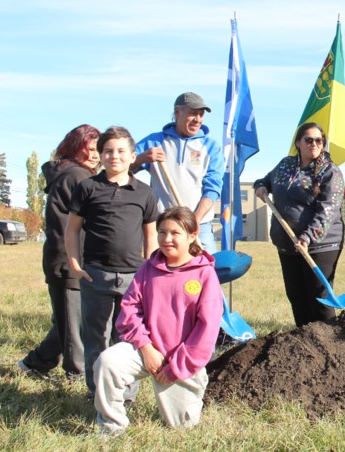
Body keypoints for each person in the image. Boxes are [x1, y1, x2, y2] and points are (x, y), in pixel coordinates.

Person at [92, 207, 223, 435]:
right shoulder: (147, 269)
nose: (167, 239)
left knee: (182, 428)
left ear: (193, 235)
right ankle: (111, 427)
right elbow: (130, 309)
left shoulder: (205, 275)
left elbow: (207, 330)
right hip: (147, 352)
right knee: (107, 362)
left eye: (175, 233)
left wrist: (175, 368)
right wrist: (146, 347)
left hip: (181, 363)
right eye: (162, 232)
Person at [66, 126, 159, 398]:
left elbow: (150, 234)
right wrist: (75, 263)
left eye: (121, 151)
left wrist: (148, 269)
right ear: (100, 155)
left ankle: (125, 396)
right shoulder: (87, 188)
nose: (114, 156)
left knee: (129, 338)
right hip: (96, 275)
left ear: (132, 157)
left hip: (134, 278)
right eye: (108, 151)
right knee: (96, 338)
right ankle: (97, 393)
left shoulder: (144, 192)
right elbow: (71, 230)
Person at [18, 124, 100, 381]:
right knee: (74, 325)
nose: (96, 156)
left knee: (67, 319)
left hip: (65, 258)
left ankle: (35, 363)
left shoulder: (70, 174)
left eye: (99, 150)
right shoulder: (78, 177)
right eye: (91, 150)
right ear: (76, 148)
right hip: (69, 260)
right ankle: (76, 374)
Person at [254, 123, 345, 326]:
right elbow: (265, 180)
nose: (314, 144)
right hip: (287, 244)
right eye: (309, 140)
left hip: (321, 244)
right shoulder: (285, 165)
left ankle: (328, 342)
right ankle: (303, 342)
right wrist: (260, 186)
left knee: (319, 298)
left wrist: (307, 237)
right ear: (298, 142)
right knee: (296, 296)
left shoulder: (331, 172)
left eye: (319, 140)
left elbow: (328, 210)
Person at [133, 92, 225, 253]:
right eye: (193, 113)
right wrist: (141, 158)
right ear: (177, 112)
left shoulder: (210, 146)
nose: (198, 119)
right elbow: (121, 169)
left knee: (208, 270)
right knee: (159, 272)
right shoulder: (154, 141)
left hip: (199, 225)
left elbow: (213, 188)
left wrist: (194, 221)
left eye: (201, 115)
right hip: (162, 224)